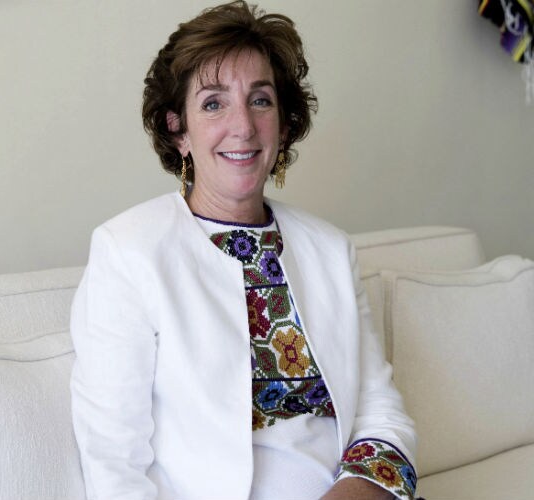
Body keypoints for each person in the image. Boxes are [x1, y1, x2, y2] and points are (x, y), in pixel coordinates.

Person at [70, 2, 418, 499]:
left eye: (260, 100)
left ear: (284, 122)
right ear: (178, 129)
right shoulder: (128, 252)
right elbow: (114, 463)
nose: (244, 126)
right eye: (214, 104)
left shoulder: (331, 250)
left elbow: (382, 415)